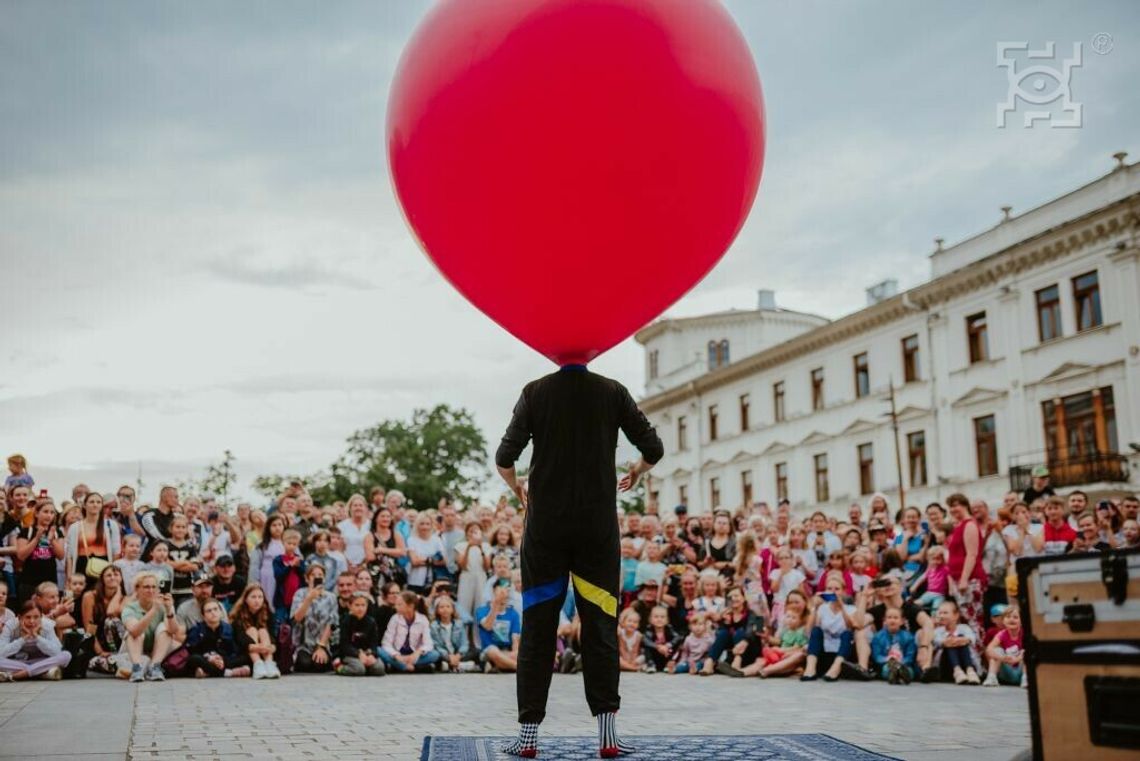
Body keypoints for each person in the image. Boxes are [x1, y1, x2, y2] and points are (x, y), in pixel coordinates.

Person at [494, 363, 662, 759]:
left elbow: (504, 456)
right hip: (597, 531)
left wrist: (517, 485)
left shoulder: (535, 391)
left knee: (538, 629)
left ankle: (528, 736)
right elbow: (653, 449)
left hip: (545, 531)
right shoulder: (612, 391)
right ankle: (607, 735)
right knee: (601, 628)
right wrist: (636, 472)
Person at [121, 571, 184, 682]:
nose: (151, 591)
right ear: (137, 589)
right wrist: (154, 609)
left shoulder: (163, 605)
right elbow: (135, 631)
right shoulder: (129, 608)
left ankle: (154, 666)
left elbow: (173, 630)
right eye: (146, 587)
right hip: (133, 649)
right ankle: (137, 668)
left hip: (156, 650)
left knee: (165, 628)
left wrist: (169, 610)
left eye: (154, 587)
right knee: (134, 632)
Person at [800, 574, 857, 682]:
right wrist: (814, 608)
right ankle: (810, 669)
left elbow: (851, 626)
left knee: (847, 633)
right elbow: (808, 631)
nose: (833, 592)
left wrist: (841, 608)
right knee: (816, 630)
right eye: (829, 589)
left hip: (842, 652)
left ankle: (835, 669)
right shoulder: (822, 608)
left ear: (843, 591)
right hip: (824, 650)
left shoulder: (851, 609)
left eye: (837, 589)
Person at [0, 600, 70, 681]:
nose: (32, 621)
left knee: (66, 655)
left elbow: (56, 652)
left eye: (36, 617)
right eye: (28, 617)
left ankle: (19, 675)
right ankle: (40, 672)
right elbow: (1, 652)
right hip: (17, 662)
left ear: (41, 617)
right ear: (19, 618)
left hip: (41, 661)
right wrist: (23, 639)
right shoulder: (11, 626)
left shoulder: (47, 625)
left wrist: (37, 637)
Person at [291, 564, 339, 673]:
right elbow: (297, 619)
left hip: (322, 642)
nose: (317, 577)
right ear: (307, 579)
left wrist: (321, 647)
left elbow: (332, 624)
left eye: (320, 575)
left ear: (324, 578)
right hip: (303, 644)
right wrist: (308, 599)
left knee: (319, 665)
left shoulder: (331, 597)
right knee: (305, 664)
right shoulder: (300, 594)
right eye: (313, 575)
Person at [185, 599, 248, 678]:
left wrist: (222, 659)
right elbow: (191, 651)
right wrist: (209, 658)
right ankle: (226, 673)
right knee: (194, 659)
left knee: (245, 656)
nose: (213, 612)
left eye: (215, 609)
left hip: (224, 660)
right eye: (209, 611)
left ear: (221, 612)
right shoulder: (197, 630)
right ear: (203, 616)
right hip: (205, 660)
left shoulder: (228, 628)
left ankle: (208, 673)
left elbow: (234, 651)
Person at [381, 590, 440, 673]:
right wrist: (396, 655)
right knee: (379, 650)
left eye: (399, 604)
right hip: (398, 654)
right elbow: (386, 643)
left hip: (414, 656)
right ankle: (408, 667)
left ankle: (399, 667)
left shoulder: (422, 619)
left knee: (435, 654)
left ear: (410, 606)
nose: (396, 607)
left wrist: (418, 653)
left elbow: (428, 643)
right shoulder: (395, 618)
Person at [229, 583, 279, 679]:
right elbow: (240, 639)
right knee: (252, 630)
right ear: (246, 599)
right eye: (253, 597)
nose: (257, 601)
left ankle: (269, 664)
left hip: (265, 650)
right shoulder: (238, 615)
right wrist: (258, 648)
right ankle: (258, 664)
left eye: (260, 597)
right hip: (245, 650)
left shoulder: (268, 613)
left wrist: (272, 646)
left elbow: (273, 635)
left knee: (262, 631)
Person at [335, 591, 386, 677]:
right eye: (357, 605)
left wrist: (371, 655)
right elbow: (344, 645)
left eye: (363, 605)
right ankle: (339, 667)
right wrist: (358, 654)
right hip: (350, 654)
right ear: (350, 606)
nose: (360, 608)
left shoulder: (371, 622)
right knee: (359, 670)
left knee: (379, 668)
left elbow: (374, 644)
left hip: (366, 653)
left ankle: (366, 667)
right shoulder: (345, 621)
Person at [932, 599, 979, 685]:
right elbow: (937, 642)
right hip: (947, 666)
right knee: (950, 641)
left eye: (945, 613)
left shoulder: (964, 628)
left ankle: (970, 670)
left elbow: (971, 639)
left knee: (960, 637)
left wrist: (960, 640)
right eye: (940, 613)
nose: (941, 616)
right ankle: (957, 671)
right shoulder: (937, 631)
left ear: (956, 615)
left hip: (966, 661)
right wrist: (949, 641)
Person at [430, 595, 477, 673]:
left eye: (448, 606)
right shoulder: (434, 626)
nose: (445, 609)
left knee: (476, 652)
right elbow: (436, 645)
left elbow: (464, 643)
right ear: (437, 610)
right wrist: (448, 656)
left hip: (457, 653)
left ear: (452, 609)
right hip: (444, 654)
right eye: (441, 607)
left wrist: (459, 655)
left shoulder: (459, 624)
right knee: (435, 655)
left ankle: (451, 665)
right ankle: (462, 666)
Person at [871, 607, 917, 684]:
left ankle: (901, 674)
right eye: (889, 617)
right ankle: (895, 675)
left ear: (902, 621)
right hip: (887, 664)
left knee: (909, 670)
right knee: (886, 669)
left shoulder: (909, 637)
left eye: (896, 618)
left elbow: (910, 656)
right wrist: (888, 659)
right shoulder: (878, 637)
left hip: (903, 664)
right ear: (885, 620)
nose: (892, 620)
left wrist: (900, 662)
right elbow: (877, 656)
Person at [983, 604, 1026, 688]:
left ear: (1021, 621)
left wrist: (1017, 659)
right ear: (1003, 621)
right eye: (1008, 617)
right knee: (997, 650)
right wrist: (1002, 658)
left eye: (1015, 617)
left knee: (1026, 651)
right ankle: (992, 677)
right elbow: (989, 649)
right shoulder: (1001, 634)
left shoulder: (1024, 633)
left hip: (1021, 670)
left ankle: (1026, 679)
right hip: (1007, 670)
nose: (1011, 619)